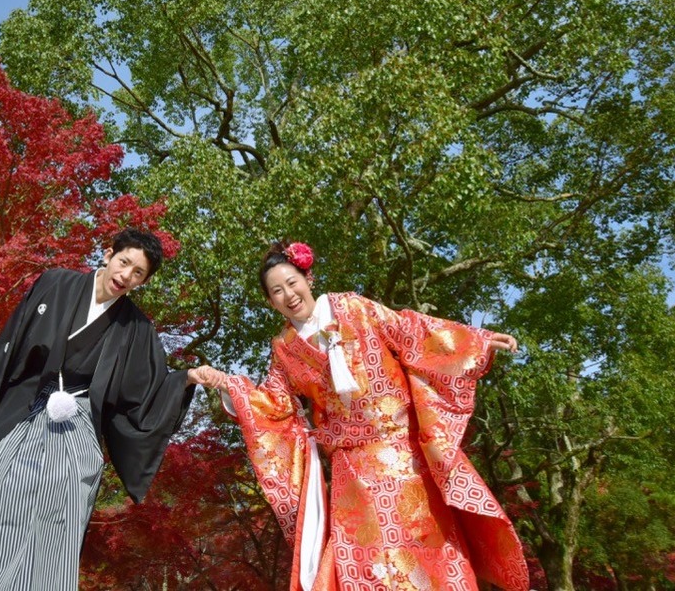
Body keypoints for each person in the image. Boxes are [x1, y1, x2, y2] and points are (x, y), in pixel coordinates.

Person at [203, 241, 530, 591]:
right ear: (270, 302)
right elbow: (274, 405)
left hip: (404, 457)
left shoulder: (353, 307)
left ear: (308, 278)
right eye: (277, 291)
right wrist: (226, 383)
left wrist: (473, 341)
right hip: (351, 469)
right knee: (364, 560)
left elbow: (410, 333)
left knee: (427, 548)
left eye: (292, 282)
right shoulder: (284, 349)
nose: (289, 294)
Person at [0, 228, 222, 590]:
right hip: (24, 410)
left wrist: (187, 377)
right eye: (124, 262)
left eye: (138, 273)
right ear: (109, 254)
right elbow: (12, 338)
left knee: (60, 519)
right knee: (1, 500)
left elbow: (148, 392)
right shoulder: (55, 284)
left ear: (143, 281)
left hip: (77, 426)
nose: (126, 275)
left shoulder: (137, 328)